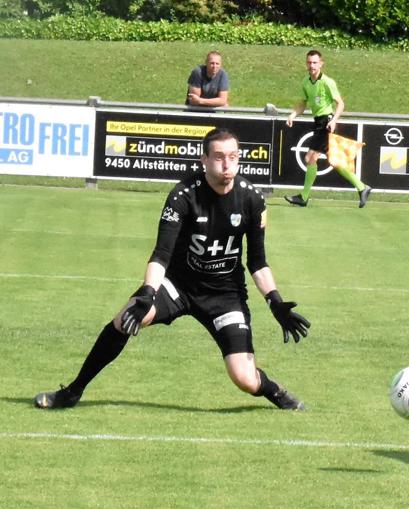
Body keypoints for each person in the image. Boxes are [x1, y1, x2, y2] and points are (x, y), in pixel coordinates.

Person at [34, 128, 310, 411]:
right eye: (218, 157)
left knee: (244, 379)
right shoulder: (183, 195)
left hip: (225, 295)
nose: (227, 165)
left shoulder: (252, 199)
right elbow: (161, 254)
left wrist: (274, 301)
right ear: (204, 160)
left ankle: (274, 390)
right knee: (125, 319)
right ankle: (73, 391)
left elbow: (257, 261)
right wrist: (146, 294)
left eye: (232, 157)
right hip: (178, 285)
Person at [284, 50, 371, 208]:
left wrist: (334, 120)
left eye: (315, 62)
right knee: (334, 161)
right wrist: (293, 115)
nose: (312, 66)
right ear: (306, 64)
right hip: (318, 122)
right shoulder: (305, 82)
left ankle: (304, 197)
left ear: (321, 64)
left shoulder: (327, 82)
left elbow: (340, 104)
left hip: (326, 122)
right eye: (309, 62)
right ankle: (362, 187)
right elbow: (302, 104)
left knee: (310, 158)